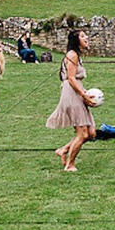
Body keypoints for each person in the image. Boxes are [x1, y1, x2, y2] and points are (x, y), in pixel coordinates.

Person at [46, 30, 100, 172]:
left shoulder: (77, 55)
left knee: (91, 133)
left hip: (77, 92)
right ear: (76, 40)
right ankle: (70, 164)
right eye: (83, 36)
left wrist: (84, 93)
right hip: (71, 94)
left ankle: (63, 150)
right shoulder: (72, 55)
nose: (86, 37)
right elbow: (71, 78)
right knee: (82, 134)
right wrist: (83, 94)